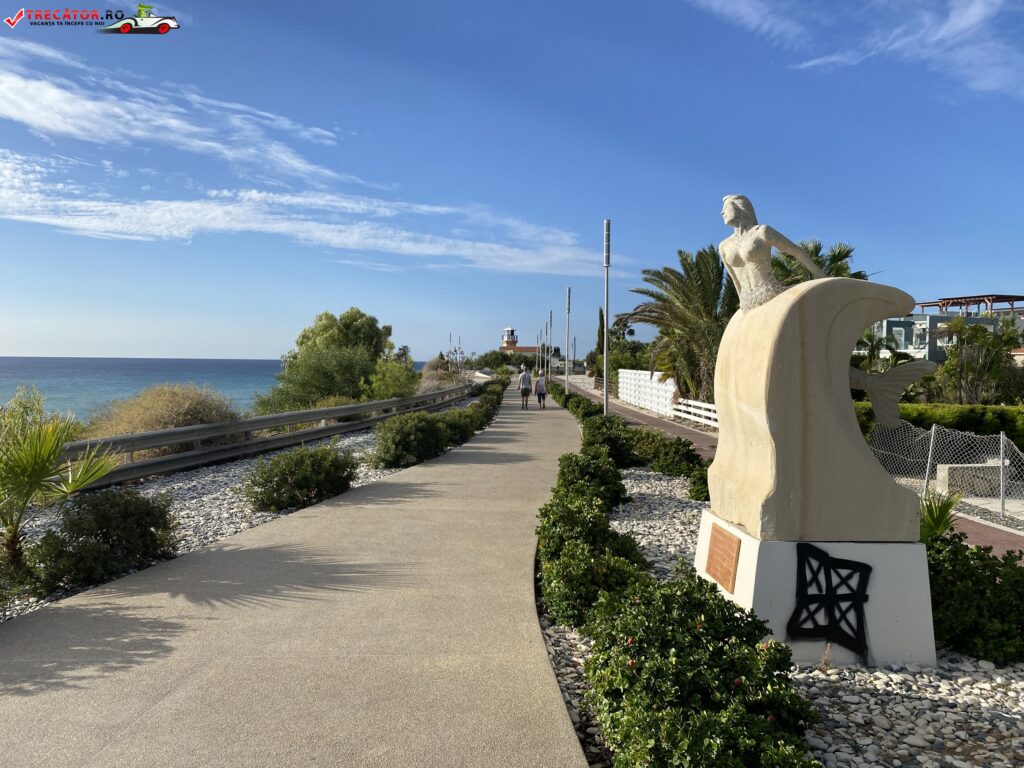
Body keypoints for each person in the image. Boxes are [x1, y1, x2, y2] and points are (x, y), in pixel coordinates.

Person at [718, 194, 825, 311]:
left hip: (770, 293)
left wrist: (822, 278)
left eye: (726, 208)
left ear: (740, 208)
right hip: (746, 302)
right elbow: (735, 280)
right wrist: (742, 308)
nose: (722, 212)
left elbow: (796, 251)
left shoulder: (762, 232)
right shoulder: (724, 246)